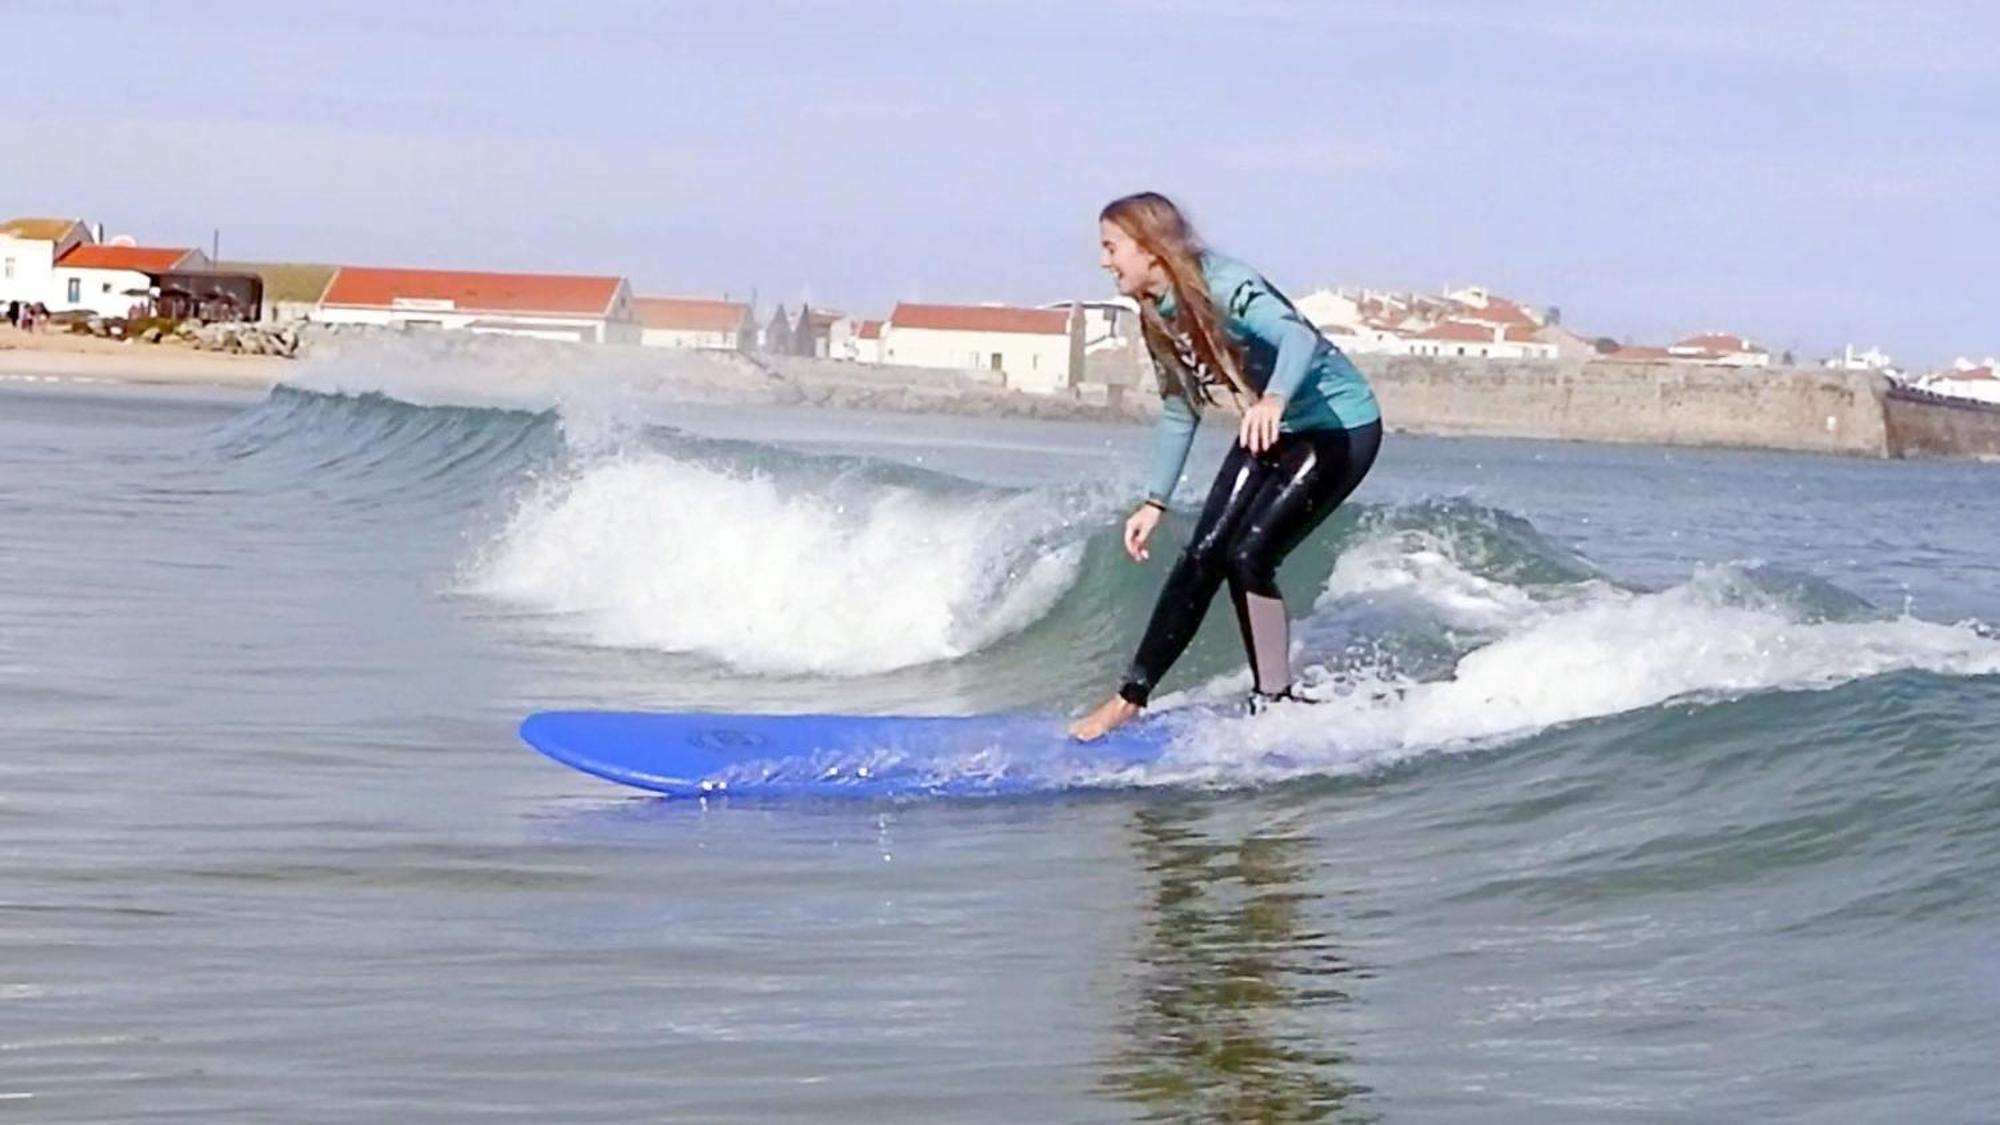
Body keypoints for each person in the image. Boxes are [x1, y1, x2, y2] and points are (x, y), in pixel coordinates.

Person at [1070, 192, 1384, 742]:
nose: (1103, 261)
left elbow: (1296, 336)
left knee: (1250, 554)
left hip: (1339, 427)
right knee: (1202, 553)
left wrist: (1274, 399)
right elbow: (1178, 406)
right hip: (1273, 425)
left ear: (1149, 247)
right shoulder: (1155, 314)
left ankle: (1275, 699)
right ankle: (1130, 699)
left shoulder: (1225, 285)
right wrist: (1154, 500)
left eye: (1110, 246)